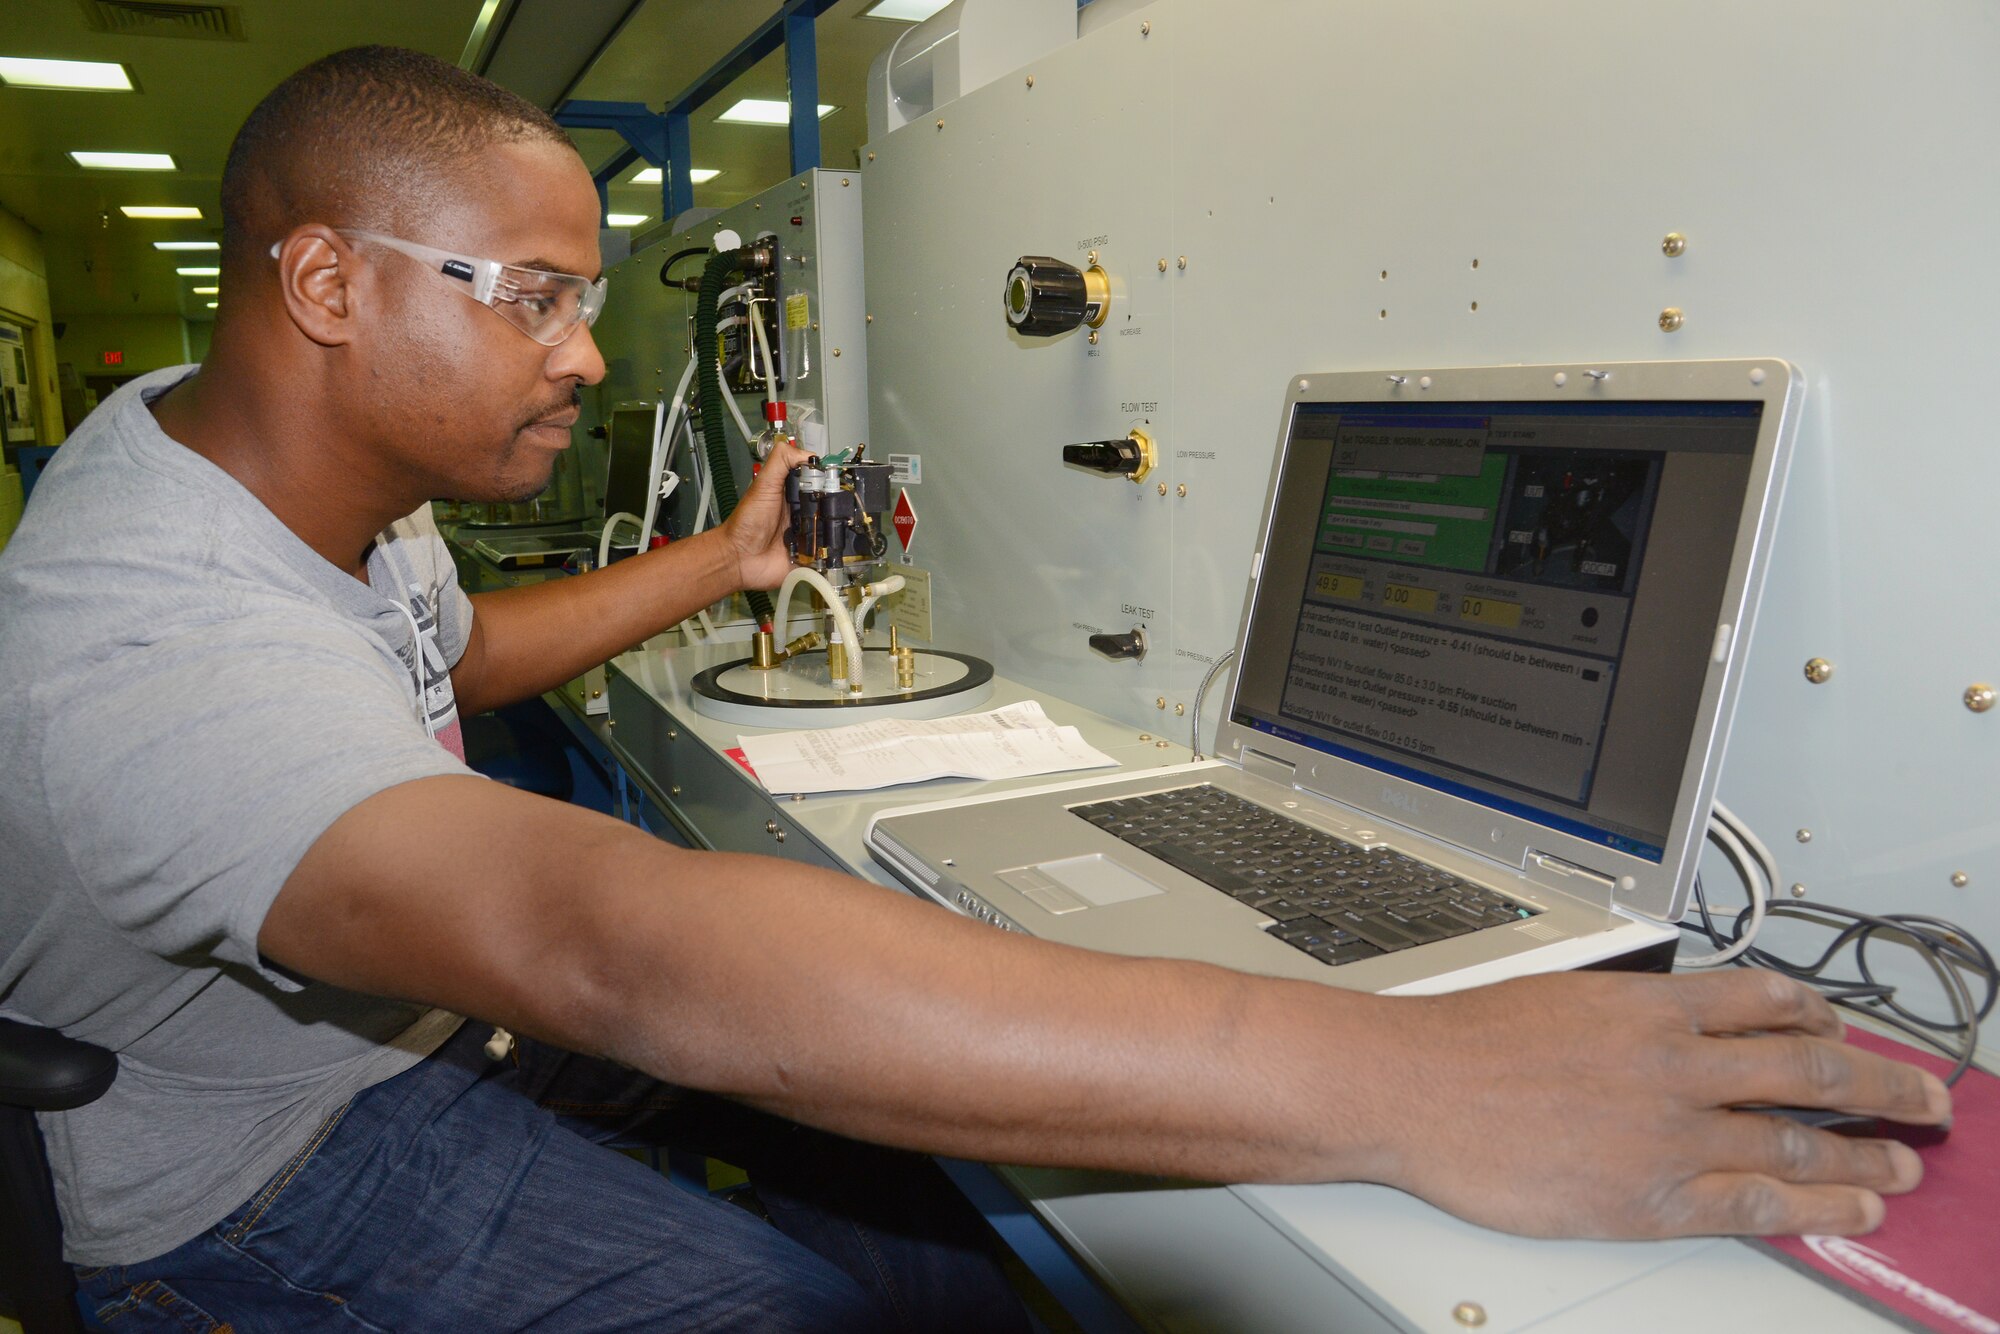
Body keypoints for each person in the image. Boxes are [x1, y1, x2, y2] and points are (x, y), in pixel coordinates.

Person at [0, 45, 1950, 1333]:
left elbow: (455, 661)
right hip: (270, 1169)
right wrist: (1416, 1078)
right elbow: (615, 952)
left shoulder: (283, 465)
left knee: (942, 1236)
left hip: (411, 1043)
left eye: (587, 297)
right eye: (536, 295)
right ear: (327, 285)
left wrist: (726, 559)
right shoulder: (146, 636)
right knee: (802, 1303)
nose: (587, 355)